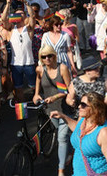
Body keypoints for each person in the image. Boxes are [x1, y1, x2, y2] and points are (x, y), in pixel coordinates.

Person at [51, 92, 107, 176]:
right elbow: (77, 131)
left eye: (83, 105)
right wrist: (63, 117)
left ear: (94, 108)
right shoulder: (83, 120)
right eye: (79, 104)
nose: (79, 107)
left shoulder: (104, 132)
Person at [34, 45, 72, 175]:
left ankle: (60, 170)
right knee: (61, 133)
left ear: (54, 55)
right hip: (50, 109)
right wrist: (36, 94)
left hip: (64, 108)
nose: (47, 59)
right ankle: (71, 149)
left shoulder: (62, 68)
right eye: (43, 57)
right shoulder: (40, 69)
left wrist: (54, 97)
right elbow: (38, 83)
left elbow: (68, 89)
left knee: (61, 138)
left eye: (49, 55)